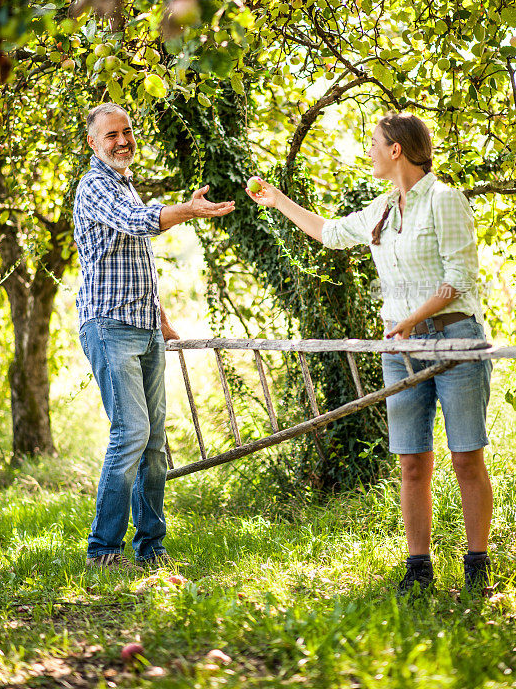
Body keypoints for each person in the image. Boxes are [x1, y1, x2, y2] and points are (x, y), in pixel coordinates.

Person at [246, 111, 493, 596]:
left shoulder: (445, 201)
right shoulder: (381, 209)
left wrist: (413, 318)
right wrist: (278, 201)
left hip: (455, 339)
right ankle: (418, 568)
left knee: (466, 456)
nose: (370, 151)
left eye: (374, 143)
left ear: (396, 149)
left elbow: (459, 278)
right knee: (411, 461)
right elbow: (332, 234)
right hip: (400, 350)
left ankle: (477, 565)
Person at [74, 102, 235, 572]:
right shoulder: (95, 186)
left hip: (144, 331)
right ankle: (103, 551)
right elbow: (140, 223)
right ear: (93, 142)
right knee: (131, 434)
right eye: (111, 135)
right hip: (109, 328)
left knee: (153, 443)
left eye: (127, 131)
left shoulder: (123, 185)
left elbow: (134, 261)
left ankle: (151, 547)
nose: (123, 140)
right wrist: (187, 208)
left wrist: (160, 318)